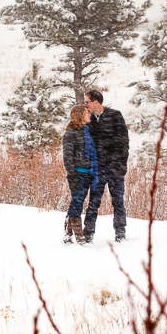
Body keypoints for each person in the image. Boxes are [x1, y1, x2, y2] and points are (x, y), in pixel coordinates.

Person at [83, 89, 129, 243]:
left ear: (96, 102)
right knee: (94, 202)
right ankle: (88, 234)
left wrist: (122, 165)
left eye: (87, 101)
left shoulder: (115, 115)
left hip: (115, 168)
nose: (85, 104)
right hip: (97, 169)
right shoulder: (89, 120)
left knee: (118, 201)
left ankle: (120, 234)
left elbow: (124, 142)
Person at [61, 104, 98, 244]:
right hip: (77, 174)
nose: (90, 115)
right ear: (80, 115)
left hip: (88, 173)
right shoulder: (71, 133)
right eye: (87, 113)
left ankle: (68, 235)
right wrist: (71, 175)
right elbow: (67, 157)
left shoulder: (87, 132)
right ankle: (79, 237)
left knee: (76, 203)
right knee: (77, 203)